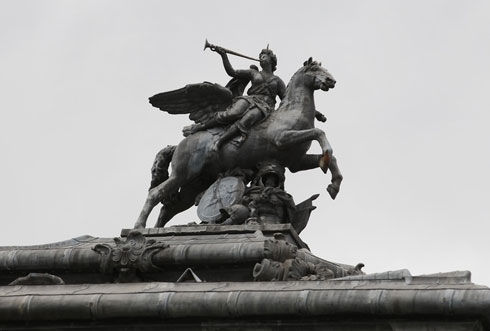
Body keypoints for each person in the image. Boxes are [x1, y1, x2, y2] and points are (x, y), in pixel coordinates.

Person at [187, 46, 287, 151]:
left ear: (271, 60)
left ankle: (221, 141)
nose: (261, 58)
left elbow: (285, 99)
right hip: (250, 99)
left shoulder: (278, 80)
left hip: (265, 107)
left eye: (264, 56)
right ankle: (201, 126)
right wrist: (224, 56)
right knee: (232, 113)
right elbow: (232, 72)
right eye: (260, 56)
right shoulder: (253, 73)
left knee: (248, 118)